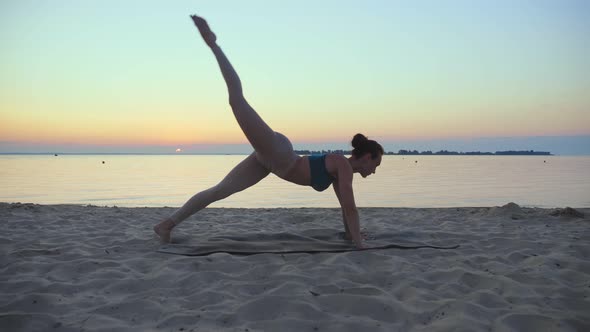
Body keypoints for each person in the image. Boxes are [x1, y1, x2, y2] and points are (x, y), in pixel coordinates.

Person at [154, 15, 383, 248]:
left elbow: (346, 208)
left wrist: (351, 236)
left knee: (220, 191)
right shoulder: (343, 166)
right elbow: (352, 208)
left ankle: (166, 225)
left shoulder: (342, 171)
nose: (374, 171)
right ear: (367, 157)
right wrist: (359, 244)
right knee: (237, 101)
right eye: (376, 164)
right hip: (278, 154)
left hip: (270, 162)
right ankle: (214, 44)